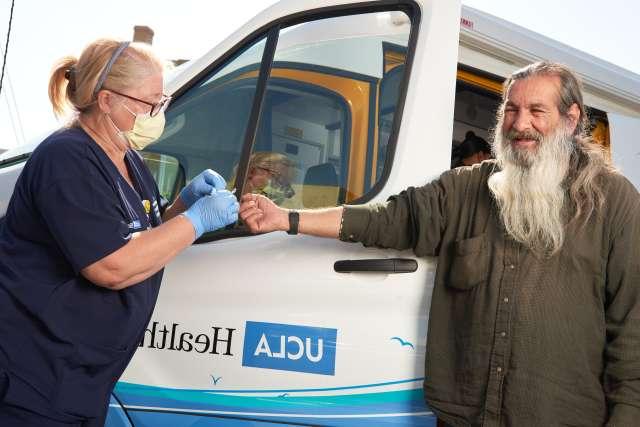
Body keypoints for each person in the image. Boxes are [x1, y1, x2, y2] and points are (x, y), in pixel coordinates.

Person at [239, 61, 640, 426]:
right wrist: (288, 218)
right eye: (512, 110)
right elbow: (387, 219)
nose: (520, 124)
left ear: (571, 120)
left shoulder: (614, 202)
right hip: (465, 418)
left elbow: (633, 333)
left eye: (537, 111)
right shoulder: (469, 188)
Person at [0, 39, 238, 426]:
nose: (156, 114)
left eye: (161, 102)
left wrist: (182, 206)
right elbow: (111, 265)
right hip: (35, 376)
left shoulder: (128, 159)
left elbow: (140, 233)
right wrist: (195, 222)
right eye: (148, 103)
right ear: (106, 99)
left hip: (82, 380)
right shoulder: (66, 159)